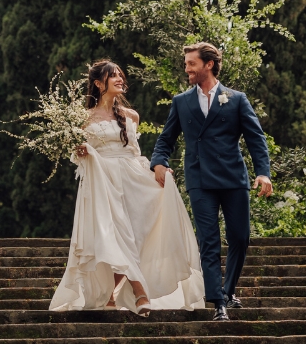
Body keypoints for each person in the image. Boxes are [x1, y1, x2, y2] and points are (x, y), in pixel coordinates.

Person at [50, 59, 205, 314]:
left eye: (121, 75)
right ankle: (140, 293)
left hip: (133, 178)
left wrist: (157, 169)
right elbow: (78, 157)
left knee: (138, 234)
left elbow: (135, 152)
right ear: (99, 83)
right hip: (104, 181)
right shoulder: (83, 119)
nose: (121, 79)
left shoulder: (131, 116)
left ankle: (112, 295)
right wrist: (82, 151)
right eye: (114, 76)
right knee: (120, 233)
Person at [149, 42, 273, 321]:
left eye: (191, 63)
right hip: (200, 179)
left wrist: (262, 172)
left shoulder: (237, 99)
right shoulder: (181, 101)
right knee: (208, 240)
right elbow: (166, 139)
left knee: (240, 237)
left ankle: (228, 291)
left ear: (209, 64)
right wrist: (158, 162)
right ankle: (217, 301)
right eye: (186, 64)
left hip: (233, 177)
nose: (186, 69)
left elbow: (256, 138)